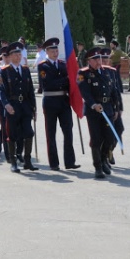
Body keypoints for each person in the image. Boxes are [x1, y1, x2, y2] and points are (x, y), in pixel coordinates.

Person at [38, 37, 79, 171]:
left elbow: (70, 82)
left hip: (63, 101)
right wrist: (65, 79)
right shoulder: (42, 66)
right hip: (50, 101)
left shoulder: (63, 64)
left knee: (68, 131)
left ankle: (69, 161)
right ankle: (54, 163)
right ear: (47, 51)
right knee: (51, 133)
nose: (55, 52)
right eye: (52, 50)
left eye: (56, 50)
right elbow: (48, 84)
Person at [77, 48, 120, 179]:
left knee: (110, 138)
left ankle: (103, 159)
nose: (98, 61)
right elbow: (85, 92)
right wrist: (93, 104)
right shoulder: (83, 73)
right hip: (93, 111)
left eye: (99, 59)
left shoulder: (107, 72)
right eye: (95, 59)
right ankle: (98, 167)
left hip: (107, 109)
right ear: (88, 61)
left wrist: (116, 108)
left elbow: (113, 91)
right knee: (96, 139)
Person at [0, 42, 38, 172]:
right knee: (12, 134)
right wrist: (6, 104)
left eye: (20, 53)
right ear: (10, 56)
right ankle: (13, 162)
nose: (18, 56)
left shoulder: (25, 70)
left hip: (25, 106)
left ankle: (27, 160)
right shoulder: (5, 72)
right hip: (12, 106)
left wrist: (33, 108)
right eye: (16, 54)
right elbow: (1, 90)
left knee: (29, 133)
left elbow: (31, 90)